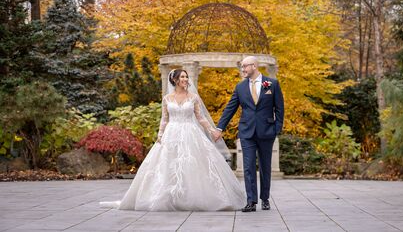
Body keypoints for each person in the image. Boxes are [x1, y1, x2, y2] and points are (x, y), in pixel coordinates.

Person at [100, 69, 245, 211]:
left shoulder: (193, 97)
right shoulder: (167, 98)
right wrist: (160, 134)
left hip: (190, 133)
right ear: (175, 80)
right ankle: (169, 197)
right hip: (172, 133)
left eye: (186, 77)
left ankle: (192, 197)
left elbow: (200, 117)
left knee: (193, 164)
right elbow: (164, 118)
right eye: (182, 77)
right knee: (167, 165)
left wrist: (212, 130)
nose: (185, 79)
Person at [213, 56, 284, 212]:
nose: (243, 69)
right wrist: (219, 128)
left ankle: (265, 198)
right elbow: (230, 109)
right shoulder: (240, 87)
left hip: (267, 132)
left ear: (254, 66)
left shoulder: (272, 84)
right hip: (246, 132)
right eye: (242, 67)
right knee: (248, 166)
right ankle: (251, 201)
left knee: (265, 166)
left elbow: (279, 109)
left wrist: (276, 129)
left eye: (245, 66)